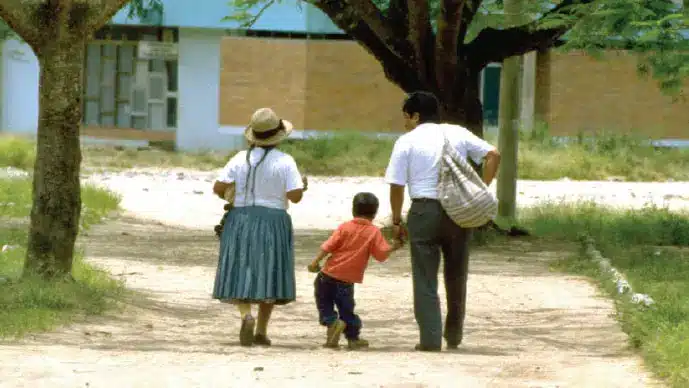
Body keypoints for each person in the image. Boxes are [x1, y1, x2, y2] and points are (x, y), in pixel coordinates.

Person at [384, 91, 501, 352]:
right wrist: (481, 189)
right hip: (459, 211)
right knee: (457, 273)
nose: (405, 122)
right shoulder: (457, 133)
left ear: (415, 116)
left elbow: (396, 184)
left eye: (406, 117)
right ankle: (454, 335)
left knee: (424, 276)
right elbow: (493, 154)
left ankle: (430, 338)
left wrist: (395, 219)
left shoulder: (406, 141)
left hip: (424, 211)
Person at [212, 107, 308, 347]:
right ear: (278, 136)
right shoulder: (286, 162)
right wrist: (303, 186)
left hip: (240, 218)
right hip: (273, 220)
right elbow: (294, 196)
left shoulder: (238, 158)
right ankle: (262, 331)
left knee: (240, 268)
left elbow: (217, 188)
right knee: (269, 270)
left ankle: (246, 315)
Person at [307, 192, 403, 350]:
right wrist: (394, 247)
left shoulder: (344, 227)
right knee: (347, 310)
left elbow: (327, 247)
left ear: (353, 209)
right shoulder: (373, 232)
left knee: (324, 305)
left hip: (326, 275)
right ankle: (353, 338)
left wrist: (314, 263)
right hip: (346, 281)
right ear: (375, 213)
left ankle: (332, 323)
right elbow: (380, 254)